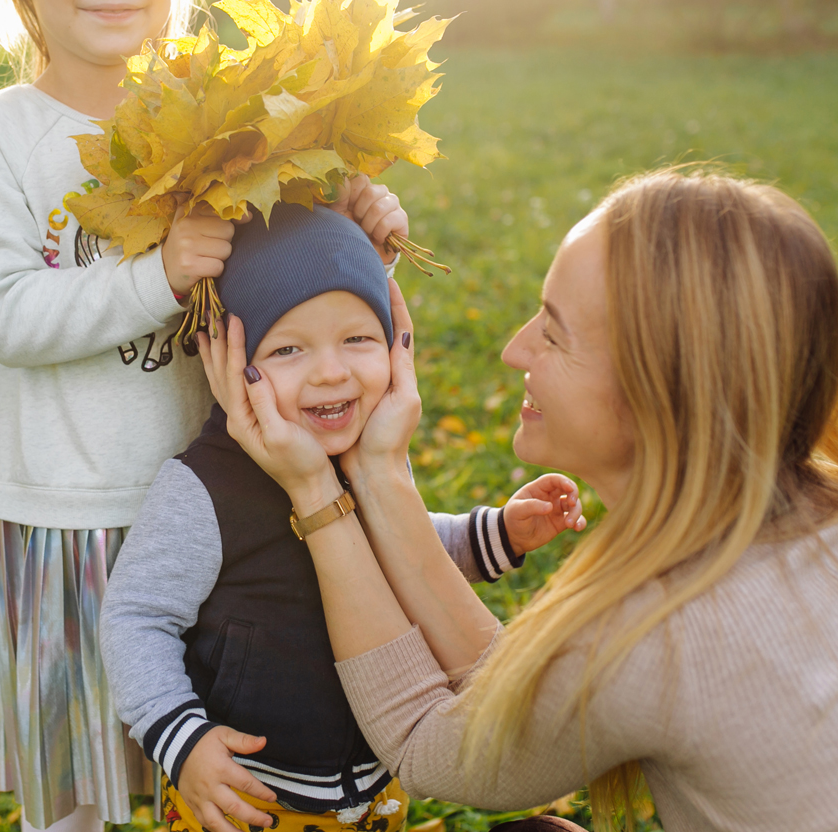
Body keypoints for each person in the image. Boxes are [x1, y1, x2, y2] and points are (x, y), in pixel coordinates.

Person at [0, 0, 408, 830]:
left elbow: (290, 291)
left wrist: (358, 225)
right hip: (66, 517)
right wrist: (156, 273)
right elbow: (10, 315)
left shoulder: (216, 122)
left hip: (215, 510)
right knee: (75, 793)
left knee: (205, 768)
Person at [204, 169, 838, 832]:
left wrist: (313, 488)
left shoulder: (665, 630)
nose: (514, 350)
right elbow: (511, 688)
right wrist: (379, 468)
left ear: (664, 391)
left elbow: (433, 745)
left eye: (555, 336)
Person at [99, 202, 586, 832]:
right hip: (252, 799)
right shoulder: (205, 486)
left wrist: (490, 534)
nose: (332, 372)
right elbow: (138, 616)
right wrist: (182, 737)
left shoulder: (362, 456)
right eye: (288, 349)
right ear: (225, 357)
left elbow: (399, 555)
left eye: (358, 339)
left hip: (375, 788)